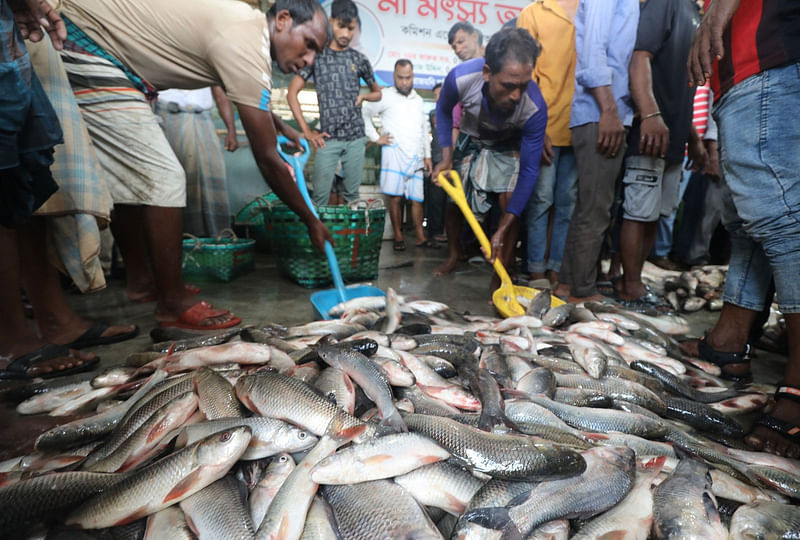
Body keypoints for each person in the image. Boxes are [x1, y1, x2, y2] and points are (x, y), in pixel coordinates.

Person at [54, 0, 334, 331]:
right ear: (283, 20)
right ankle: (172, 303)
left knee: (130, 180)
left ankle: (142, 280)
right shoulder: (248, 35)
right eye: (309, 45)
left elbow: (248, 97)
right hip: (89, 46)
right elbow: (268, 159)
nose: (308, 60)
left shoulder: (246, 31)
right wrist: (311, 220)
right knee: (164, 177)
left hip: (108, 55)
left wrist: (282, 127)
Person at [687, 0, 800, 457]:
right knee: (750, 223)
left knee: (786, 222)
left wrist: (718, 11)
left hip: (771, 53)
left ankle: (797, 385)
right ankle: (728, 342)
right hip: (747, 69)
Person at [432, 27, 547, 290]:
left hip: (507, 142)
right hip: (470, 137)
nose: (516, 95)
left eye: (523, 86)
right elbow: (443, 110)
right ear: (487, 74)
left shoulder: (535, 107)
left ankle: (501, 273)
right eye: (508, 86)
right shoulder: (461, 78)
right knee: (454, 201)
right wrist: (446, 156)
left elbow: (529, 172)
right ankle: (453, 255)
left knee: (510, 202)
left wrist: (504, 228)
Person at [615, 0, 705, 307]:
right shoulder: (666, 2)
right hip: (651, 131)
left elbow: (685, 87)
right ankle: (629, 285)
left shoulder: (695, 13)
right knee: (638, 213)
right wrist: (651, 115)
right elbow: (640, 57)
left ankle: (636, 280)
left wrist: (693, 137)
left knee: (654, 215)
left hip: (676, 136)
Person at [553, 0, 639, 303]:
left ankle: (567, 284)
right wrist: (609, 110)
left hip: (599, 113)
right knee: (597, 209)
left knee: (588, 206)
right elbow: (593, 53)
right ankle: (582, 291)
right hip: (600, 112)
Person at [287, 0, 381, 207]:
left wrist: (364, 96)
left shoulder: (360, 59)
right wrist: (307, 131)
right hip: (327, 139)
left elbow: (377, 93)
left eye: (351, 28)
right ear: (331, 22)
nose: (346, 33)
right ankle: (321, 240)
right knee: (319, 199)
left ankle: (350, 240)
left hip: (356, 137)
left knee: (352, 200)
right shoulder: (317, 57)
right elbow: (292, 93)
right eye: (341, 26)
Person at [517, 0, 579, 287]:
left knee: (568, 203)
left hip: (581, 123)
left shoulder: (592, 10)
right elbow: (525, 76)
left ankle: (557, 267)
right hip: (545, 124)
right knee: (541, 200)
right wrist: (536, 126)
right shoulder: (533, 13)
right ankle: (536, 270)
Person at [362, 59, 433, 251]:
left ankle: (420, 237)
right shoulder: (384, 96)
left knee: (417, 199)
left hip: (416, 155)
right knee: (395, 197)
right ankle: (398, 237)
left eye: (407, 78)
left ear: (413, 77)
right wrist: (376, 138)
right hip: (394, 153)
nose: (404, 82)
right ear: (394, 77)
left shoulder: (418, 100)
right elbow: (365, 113)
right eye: (400, 78)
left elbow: (423, 128)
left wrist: (427, 155)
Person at [156, 86, 238, 238]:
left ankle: (216, 237)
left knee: (212, 176)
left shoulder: (210, 63)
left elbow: (220, 95)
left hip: (203, 120)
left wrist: (231, 130)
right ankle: (181, 238)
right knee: (177, 181)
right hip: (169, 117)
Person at [424, 82, 447, 242]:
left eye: (440, 94)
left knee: (448, 202)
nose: (437, 98)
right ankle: (434, 231)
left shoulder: (455, 113)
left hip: (451, 163)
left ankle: (445, 231)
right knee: (435, 201)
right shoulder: (435, 113)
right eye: (435, 95)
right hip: (436, 162)